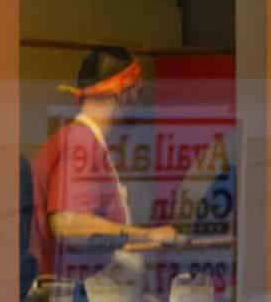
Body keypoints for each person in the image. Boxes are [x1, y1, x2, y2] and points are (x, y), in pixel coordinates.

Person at [29, 44, 181, 284]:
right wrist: (148, 235)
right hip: (74, 296)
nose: (139, 102)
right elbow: (70, 226)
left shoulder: (80, 140)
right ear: (121, 92)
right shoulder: (82, 142)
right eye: (138, 91)